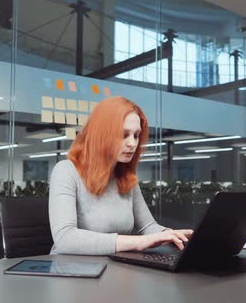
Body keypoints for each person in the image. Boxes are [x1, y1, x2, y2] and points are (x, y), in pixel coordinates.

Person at [49, 96, 193, 255]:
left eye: (136, 135)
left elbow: (147, 227)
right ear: (102, 134)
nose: (132, 143)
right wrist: (138, 242)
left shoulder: (126, 177)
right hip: (70, 271)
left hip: (114, 268)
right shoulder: (65, 171)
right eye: (124, 135)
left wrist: (174, 236)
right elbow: (65, 238)